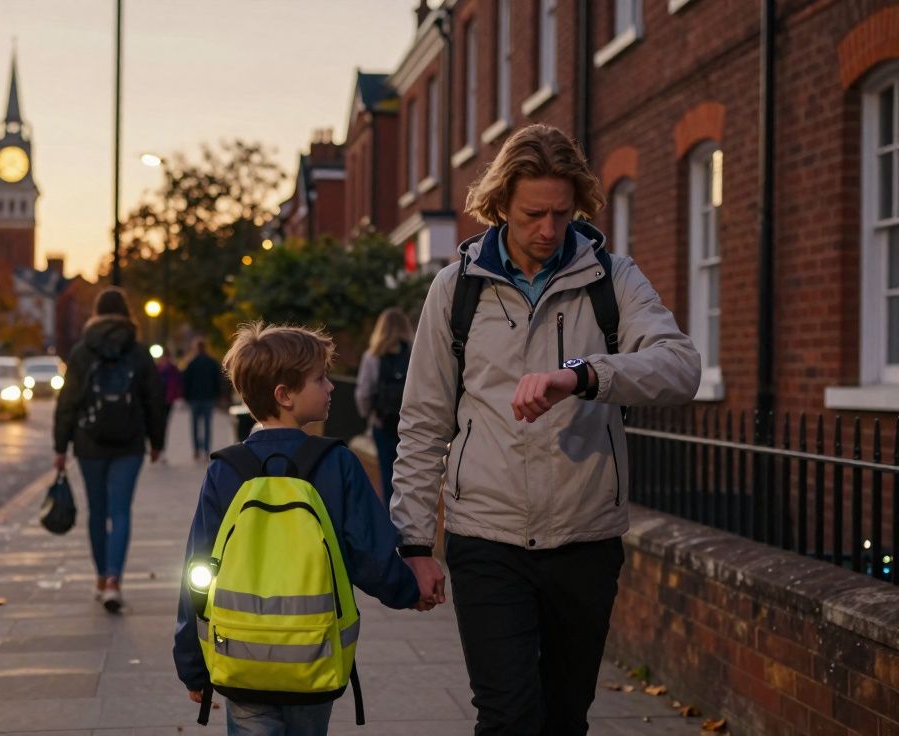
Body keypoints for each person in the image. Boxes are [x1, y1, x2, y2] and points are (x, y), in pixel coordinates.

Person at [392, 123, 701, 735]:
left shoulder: (613, 279)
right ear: (500, 203)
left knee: (564, 719)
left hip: (585, 538)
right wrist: (414, 542)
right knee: (507, 718)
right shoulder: (456, 290)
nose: (549, 230)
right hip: (486, 536)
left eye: (563, 213)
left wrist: (584, 376)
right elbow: (424, 421)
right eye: (535, 213)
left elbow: (681, 367)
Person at [173, 322, 428, 736]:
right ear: (284, 395)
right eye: (320, 378)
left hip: (240, 654)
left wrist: (191, 664)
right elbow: (369, 552)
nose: (330, 387)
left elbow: (197, 568)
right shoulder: (335, 462)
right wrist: (411, 590)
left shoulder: (225, 470)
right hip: (313, 655)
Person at [54, 287, 166, 613]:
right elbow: (154, 400)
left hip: (89, 441)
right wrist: (156, 441)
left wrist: (60, 446)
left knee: (97, 512)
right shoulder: (139, 351)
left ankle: (101, 577)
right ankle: (116, 579)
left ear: (96, 312)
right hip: (130, 442)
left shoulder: (82, 351)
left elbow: (68, 403)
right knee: (120, 512)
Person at [354, 307, 415, 508]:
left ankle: (391, 523)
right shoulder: (414, 353)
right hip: (410, 423)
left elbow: (364, 392)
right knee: (412, 474)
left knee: (388, 474)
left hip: (383, 423)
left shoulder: (373, 356)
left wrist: (367, 416)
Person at [181, 339, 223, 461]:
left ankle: (196, 450)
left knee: (194, 425)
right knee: (207, 424)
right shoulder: (212, 362)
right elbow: (217, 380)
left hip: (194, 398)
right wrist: (217, 395)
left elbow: (185, 381)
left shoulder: (191, 363)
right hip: (209, 398)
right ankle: (206, 449)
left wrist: (186, 397)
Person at [156, 352, 183, 455]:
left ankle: (161, 448)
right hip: (157, 401)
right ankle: (158, 447)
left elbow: (177, 384)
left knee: (164, 424)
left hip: (168, 400)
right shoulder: (157, 368)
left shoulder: (172, 369)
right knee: (158, 424)